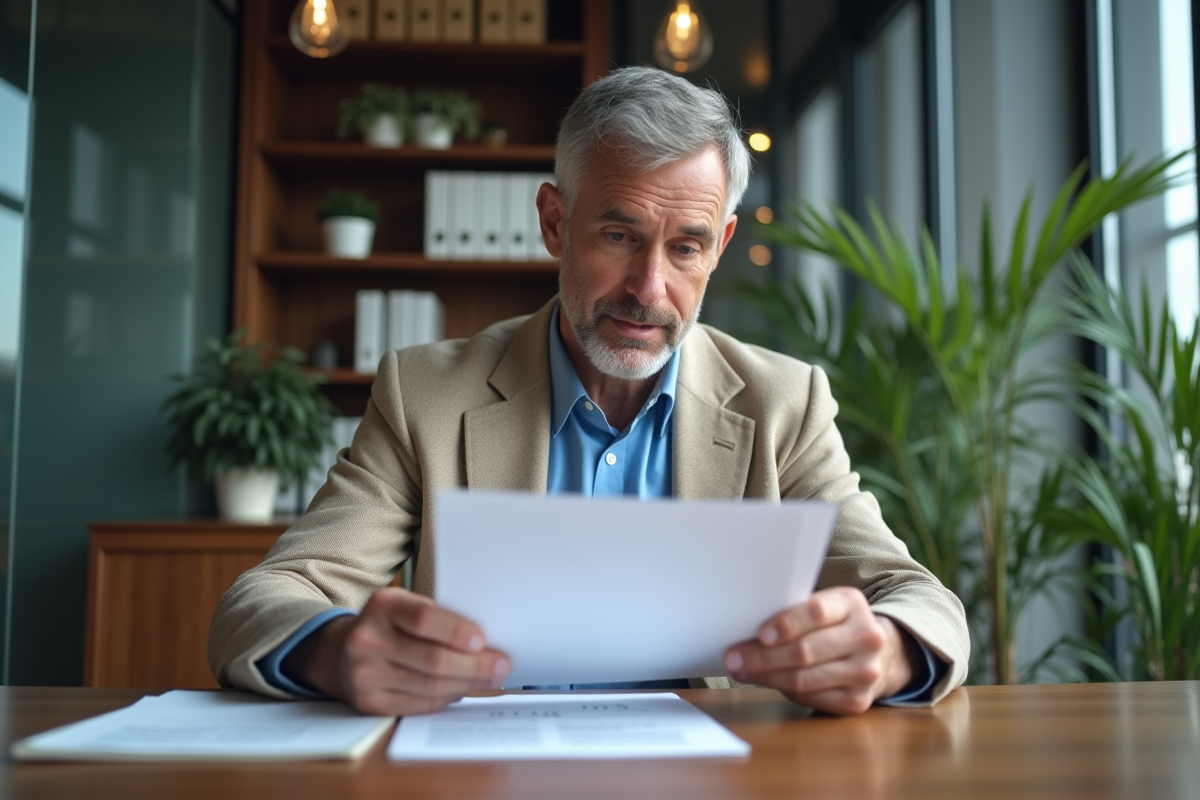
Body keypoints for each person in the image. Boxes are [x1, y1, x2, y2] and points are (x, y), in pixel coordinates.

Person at [208, 66, 969, 717]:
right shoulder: (424, 393)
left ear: (721, 247)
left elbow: (917, 597)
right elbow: (268, 597)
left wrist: (890, 651)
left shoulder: (783, 404)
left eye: (686, 247)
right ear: (554, 222)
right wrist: (337, 652)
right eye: (618, 235)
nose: (649, 288)